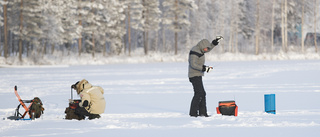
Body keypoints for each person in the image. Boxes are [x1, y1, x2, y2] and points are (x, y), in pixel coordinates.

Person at [188, 36, 223, 117]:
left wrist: (215, 42)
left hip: (198, 74)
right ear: (202, 46)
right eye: (205, 49)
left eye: (207, 49)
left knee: (202, 93)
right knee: (199, 93)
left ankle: (203, 113)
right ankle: (193, 113)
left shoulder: (201, 49)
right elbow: (193, 64)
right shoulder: (194, 51)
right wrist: (204, 68)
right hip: (193, 75)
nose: (206, 50)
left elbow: (209, 48)